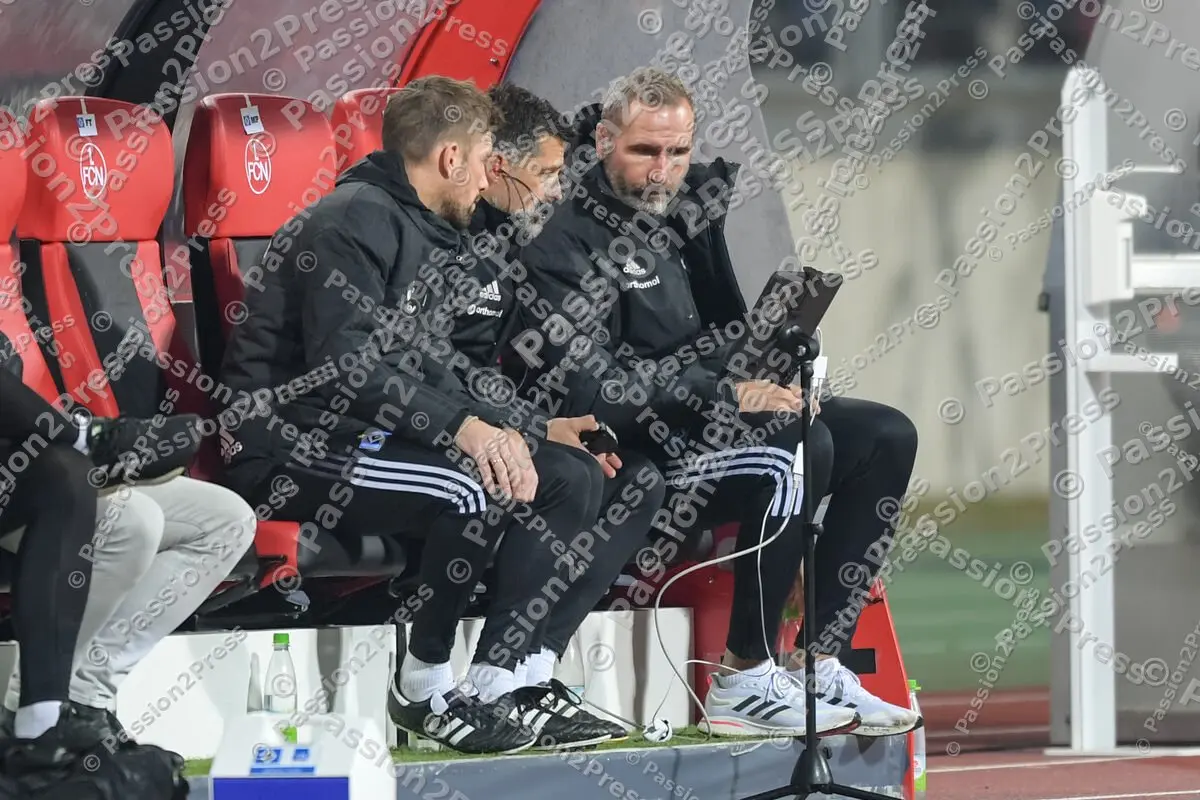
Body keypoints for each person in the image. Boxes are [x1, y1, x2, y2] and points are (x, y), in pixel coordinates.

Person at [217, 75, 627, 755]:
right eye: (487, 155)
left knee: (565, 475)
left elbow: (436, 366)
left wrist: (530, 430)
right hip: (288, 443)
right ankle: (425, 688)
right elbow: (350, 369)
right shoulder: (352, 220)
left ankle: (500, 682)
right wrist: (465, 431)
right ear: (450, 159)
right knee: (468, 484)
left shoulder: (430, 230)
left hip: (363, 432)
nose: (490, 173)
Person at [510, 66, 921, 739]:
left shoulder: (676, 221)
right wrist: (729, 391)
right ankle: (744, 676)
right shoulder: (566, 238)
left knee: (883, 435)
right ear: (604, 139)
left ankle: (821, 661)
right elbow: (592, 386)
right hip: (630, 450)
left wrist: (773, 365)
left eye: (677, 152)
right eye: (645, 151)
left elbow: (696, 346)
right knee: (796, 446)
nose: (663, 171)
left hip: (702, 423)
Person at [465, 82, 667, 746]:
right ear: (498, 165)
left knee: (635, 477)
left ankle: (532, 665)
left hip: (489, 422)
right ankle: (483, 683)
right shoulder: (438, 237)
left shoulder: (503, 239)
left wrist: (546, 426)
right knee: (572, 477)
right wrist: (527, 432)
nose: (557, 190)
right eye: (548, 174)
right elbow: (420, 373)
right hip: (414, 436)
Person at [0, 369, 216, 771]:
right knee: (120, 514)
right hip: (37, 457)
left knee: (226, 521)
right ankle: (35, 712)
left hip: (25, 448)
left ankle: (82, 700)